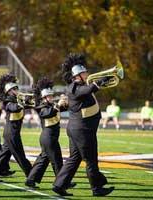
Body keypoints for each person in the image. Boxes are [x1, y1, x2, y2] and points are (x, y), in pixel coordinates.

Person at [52, 53, 114, 197]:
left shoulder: (81, 86)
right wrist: (98, 83)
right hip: (82, 130)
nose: (87, 74)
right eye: (84, 73)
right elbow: (86, 90)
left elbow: (89, 90)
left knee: (74, 159)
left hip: (79, 130)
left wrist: (102, 83)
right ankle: (97, 188)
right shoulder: (74, 87)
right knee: (91, 159)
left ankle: (59, 185)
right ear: (77, 75)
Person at [25, 77, 75, 189]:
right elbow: (47, 114)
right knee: (57, 161)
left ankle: (30, 180)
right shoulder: (42, 107)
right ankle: (63, 182)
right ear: (44, 98)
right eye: (49, 96)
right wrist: (57, 105)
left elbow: (63, 108)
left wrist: (66, 101)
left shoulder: (51, 105)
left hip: (49, 138)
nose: (52, 98)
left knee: (43, 160)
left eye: (52, 96)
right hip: (48, 138)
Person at [0, 73, 32, 182]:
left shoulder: (17, 100)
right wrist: (22, 103)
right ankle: (32, 177)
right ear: (9, 91)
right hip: (12, 133)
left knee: (3, 156)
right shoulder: (7, 101)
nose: (17, 91)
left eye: (17, 88)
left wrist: (29, 100)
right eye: (14, 89)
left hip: (10, 133)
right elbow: (14, 108)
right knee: (21, 157)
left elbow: (30, 104)